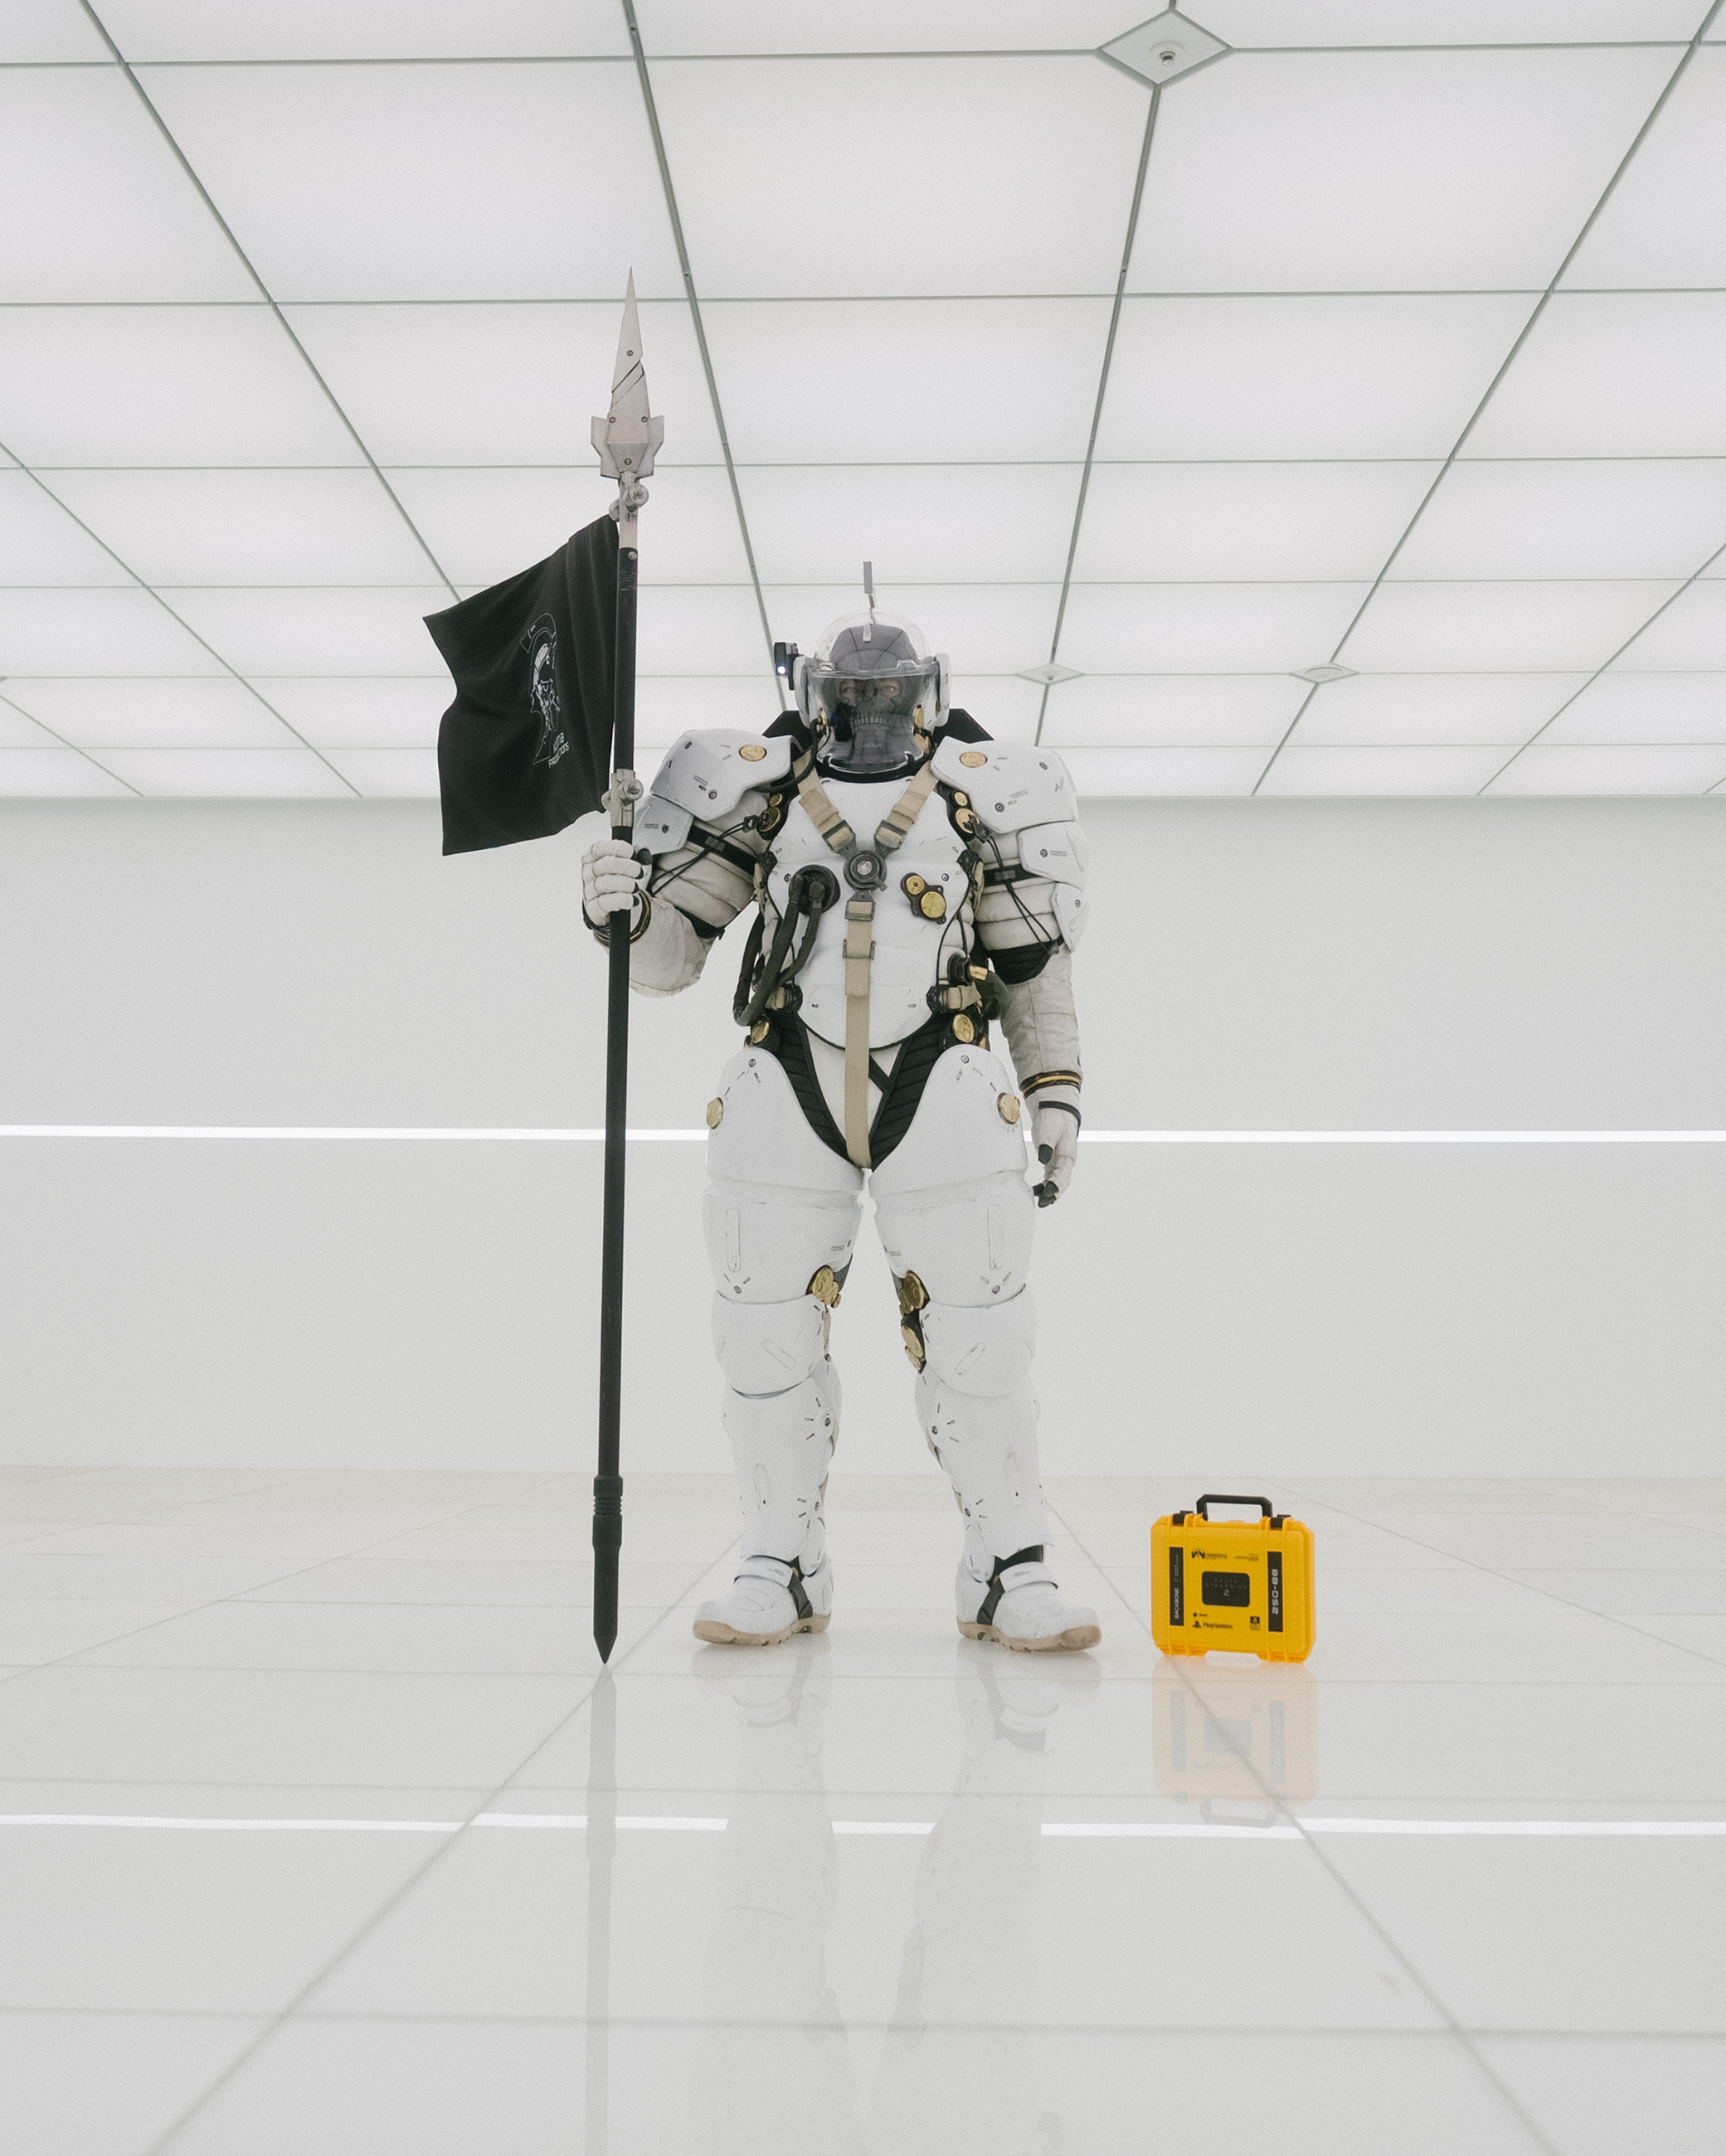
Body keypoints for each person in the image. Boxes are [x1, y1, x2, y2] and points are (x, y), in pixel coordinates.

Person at [581, 595, 1099, 1652]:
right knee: (762, 1335)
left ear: (924, 698)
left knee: (982, 1337)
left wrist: (1055, 1089)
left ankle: (1006, 1562)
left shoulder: (985, 795)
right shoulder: (757, 793)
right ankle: (781, 1557)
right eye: (850, 691)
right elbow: (671, 960)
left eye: (886, 692)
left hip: (944, 1076)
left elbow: (1031, 964)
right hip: (784, 1080)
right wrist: (620, 909)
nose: (868, 708)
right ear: (815, 695)